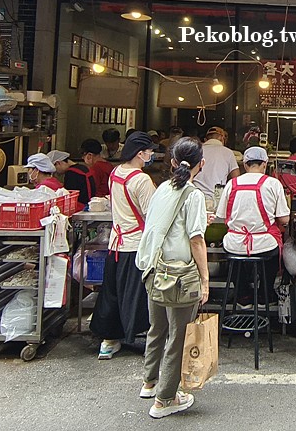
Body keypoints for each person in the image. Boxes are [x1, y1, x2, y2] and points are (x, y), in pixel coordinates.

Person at [135, 137, 209, 419]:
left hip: (154, 268)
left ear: (174, 162)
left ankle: (149, 381)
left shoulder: (162, 188)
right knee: (178, 335)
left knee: (157, 328)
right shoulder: (193, 195)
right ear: (201, 164)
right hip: (178, 275)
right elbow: (196, 241)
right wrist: (204, 280)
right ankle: (165, 399)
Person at [92, 131, 156, 360]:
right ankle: (147, 338)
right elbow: (152, 216)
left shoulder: (115, 173)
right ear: (140, 154)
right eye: (149, 152)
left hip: (116, 243)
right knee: (138, 295)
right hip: (136, 244)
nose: (151, 155)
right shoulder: (142, 180)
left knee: (113, 293)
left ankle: (109, 341)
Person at [217, 146, 289, 304]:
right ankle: (265, 294)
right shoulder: (273, 183)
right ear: (265, 164)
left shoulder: (232, 184)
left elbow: (222, 216)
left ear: (245, 165)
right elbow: (284, 219)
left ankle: (242, 295)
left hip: (235, 243)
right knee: (272, 254)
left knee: (235, 259)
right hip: (264, 244)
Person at [193, 126, 240, 206]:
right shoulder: (228, 152)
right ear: (222, 139)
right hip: (217, 198)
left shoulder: (197, 151)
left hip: (196, 196)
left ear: (206, 139)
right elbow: (236, 176)